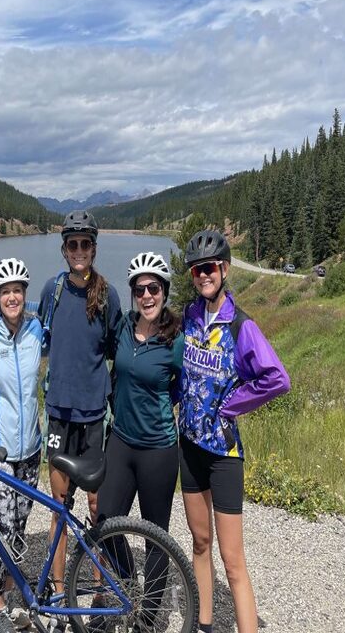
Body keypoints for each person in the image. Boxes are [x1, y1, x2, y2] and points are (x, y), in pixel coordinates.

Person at [177, 230, 290, 633]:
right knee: (200, 543)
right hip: (188, 447)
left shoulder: (240, 325)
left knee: (233, 560)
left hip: (224, 455)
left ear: (224, 269)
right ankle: (204, 625)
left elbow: (277, 378)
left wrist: (233, 404)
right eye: (196, 270)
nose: (202, 275)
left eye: (208, 268)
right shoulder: (190, 317)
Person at [38, 210, 122, 631]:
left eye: (85, 244)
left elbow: (114, 348)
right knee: (58, 507)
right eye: (72, 244)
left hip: (93, 416)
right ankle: (57, 592)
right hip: (58, 414)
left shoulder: (108, 296)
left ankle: (99, 589)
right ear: (64, 249)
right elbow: (41, 337)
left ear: (94, 247)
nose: (79, 251)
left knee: (96, 507)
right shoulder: (52, 290)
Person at [93, 252, 184, 630]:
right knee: (103, 522)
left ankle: (146, 619)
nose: (147, 295)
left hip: (159, 450)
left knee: (156, 537)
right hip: (121, 441)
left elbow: (181, 387)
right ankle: (131, 587)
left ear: (164, 291)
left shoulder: (175, 340)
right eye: (140, 289)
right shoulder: (124, 329)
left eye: (154, 288)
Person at [0, 258, 44, 633]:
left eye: (17, 290)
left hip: (32, 450)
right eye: (5, 292)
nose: (12, 297)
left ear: (24, 294)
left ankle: (10, 590)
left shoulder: (36, 329)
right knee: (2, 530)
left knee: (19, 527)